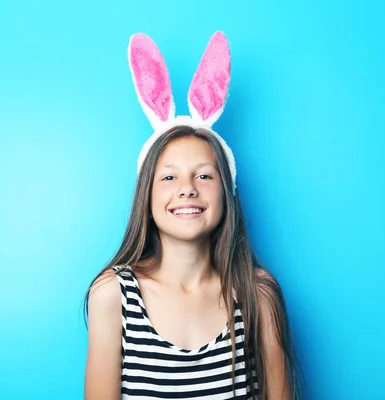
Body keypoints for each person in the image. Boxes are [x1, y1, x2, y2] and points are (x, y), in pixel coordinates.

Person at [84, 32, 303, 400]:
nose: (187, 188)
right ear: (147, 196)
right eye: (169, 177)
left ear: (227, 192)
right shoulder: (113, 295)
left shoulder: (257, 295)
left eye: (204, 175)